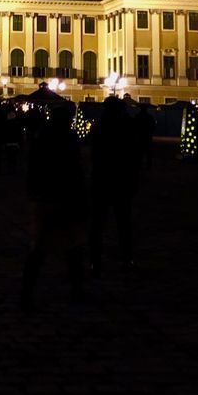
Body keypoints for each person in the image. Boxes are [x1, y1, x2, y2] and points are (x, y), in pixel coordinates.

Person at [20, 105, 87, 309]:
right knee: (73, 247)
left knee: (39, 247)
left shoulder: (42, 139)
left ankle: (27, 290)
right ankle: (77, 290)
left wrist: (34, 192)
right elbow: (76, 171)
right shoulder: (70, 140)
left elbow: (33, 168)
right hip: (65, 197)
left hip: (44, 198)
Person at [87, 96, 140, 273]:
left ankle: (95, 260)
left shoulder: (98, 128)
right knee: (123, 222)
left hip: (101, 178)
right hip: (121, 179)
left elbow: (90, 149)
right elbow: (133, 154)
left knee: (97, 224)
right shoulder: (127, 128)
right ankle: (126, 257)